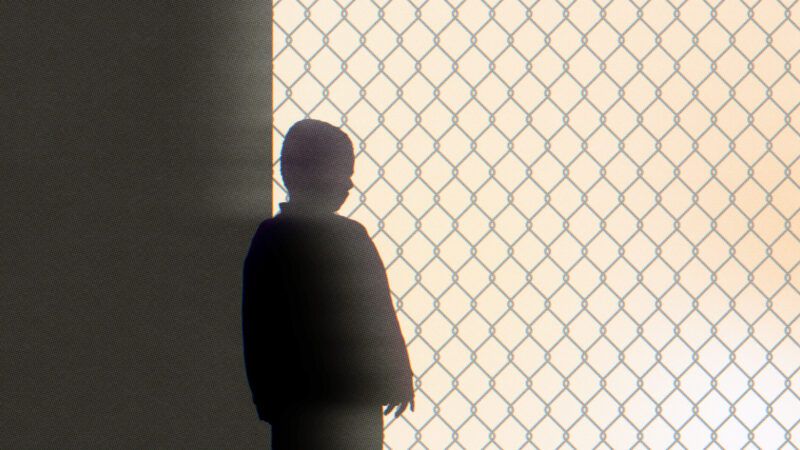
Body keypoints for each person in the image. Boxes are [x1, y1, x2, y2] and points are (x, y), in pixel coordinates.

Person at [242, 118, 414, 449]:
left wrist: (267, 398)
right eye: (340, 172)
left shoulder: (274, 238)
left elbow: (256, 324)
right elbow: (378, 312)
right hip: (346, 398)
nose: (348, 184)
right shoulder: (348, 237)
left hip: (306, 404)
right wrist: (396, 372)